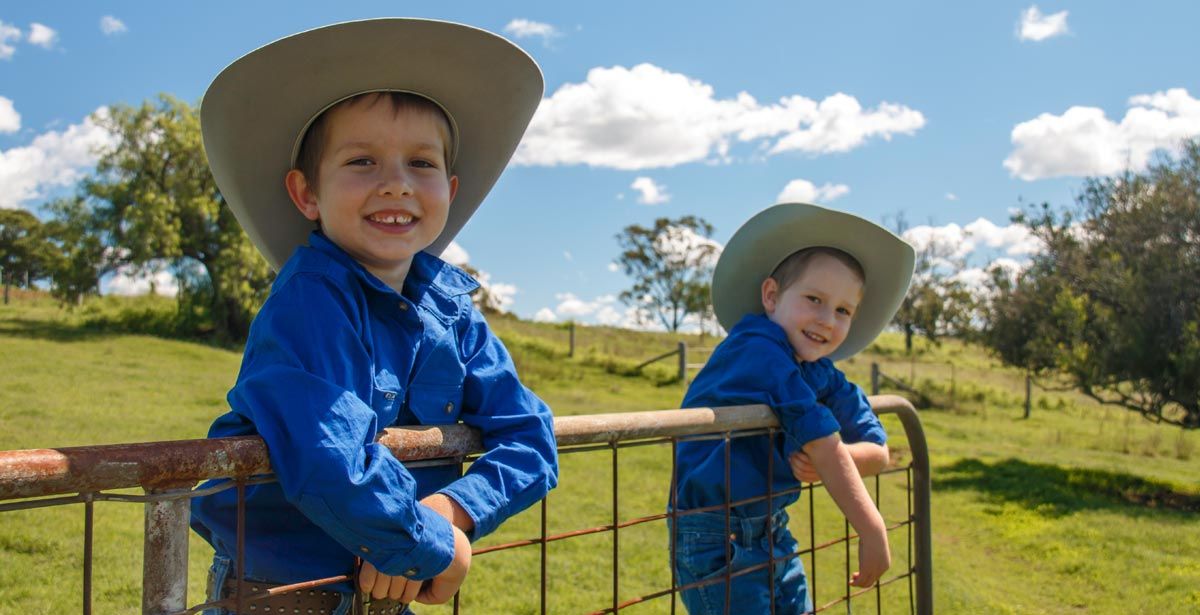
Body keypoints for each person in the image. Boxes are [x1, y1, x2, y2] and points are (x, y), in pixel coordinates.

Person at [189, 18, 558, 615]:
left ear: (450, 187)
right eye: (362, 162)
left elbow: (531, 437)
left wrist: (450, 510)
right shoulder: (310, 303)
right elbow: (330, 457)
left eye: (422, 163)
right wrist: (430, 545)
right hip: (287, 595)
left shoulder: (453, 312)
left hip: (389, 584)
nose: (396, 185)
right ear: (307, 194)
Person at [671, 202, 915, 614]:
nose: (826, 319)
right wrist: (872, 528)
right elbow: (824, 443)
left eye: (842, 310)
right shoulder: (757, 349)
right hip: (715, 536)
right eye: (814, 299)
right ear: (771, 296)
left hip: (771, 528)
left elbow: (878, 450)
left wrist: (842, 457)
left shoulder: (819, 371)